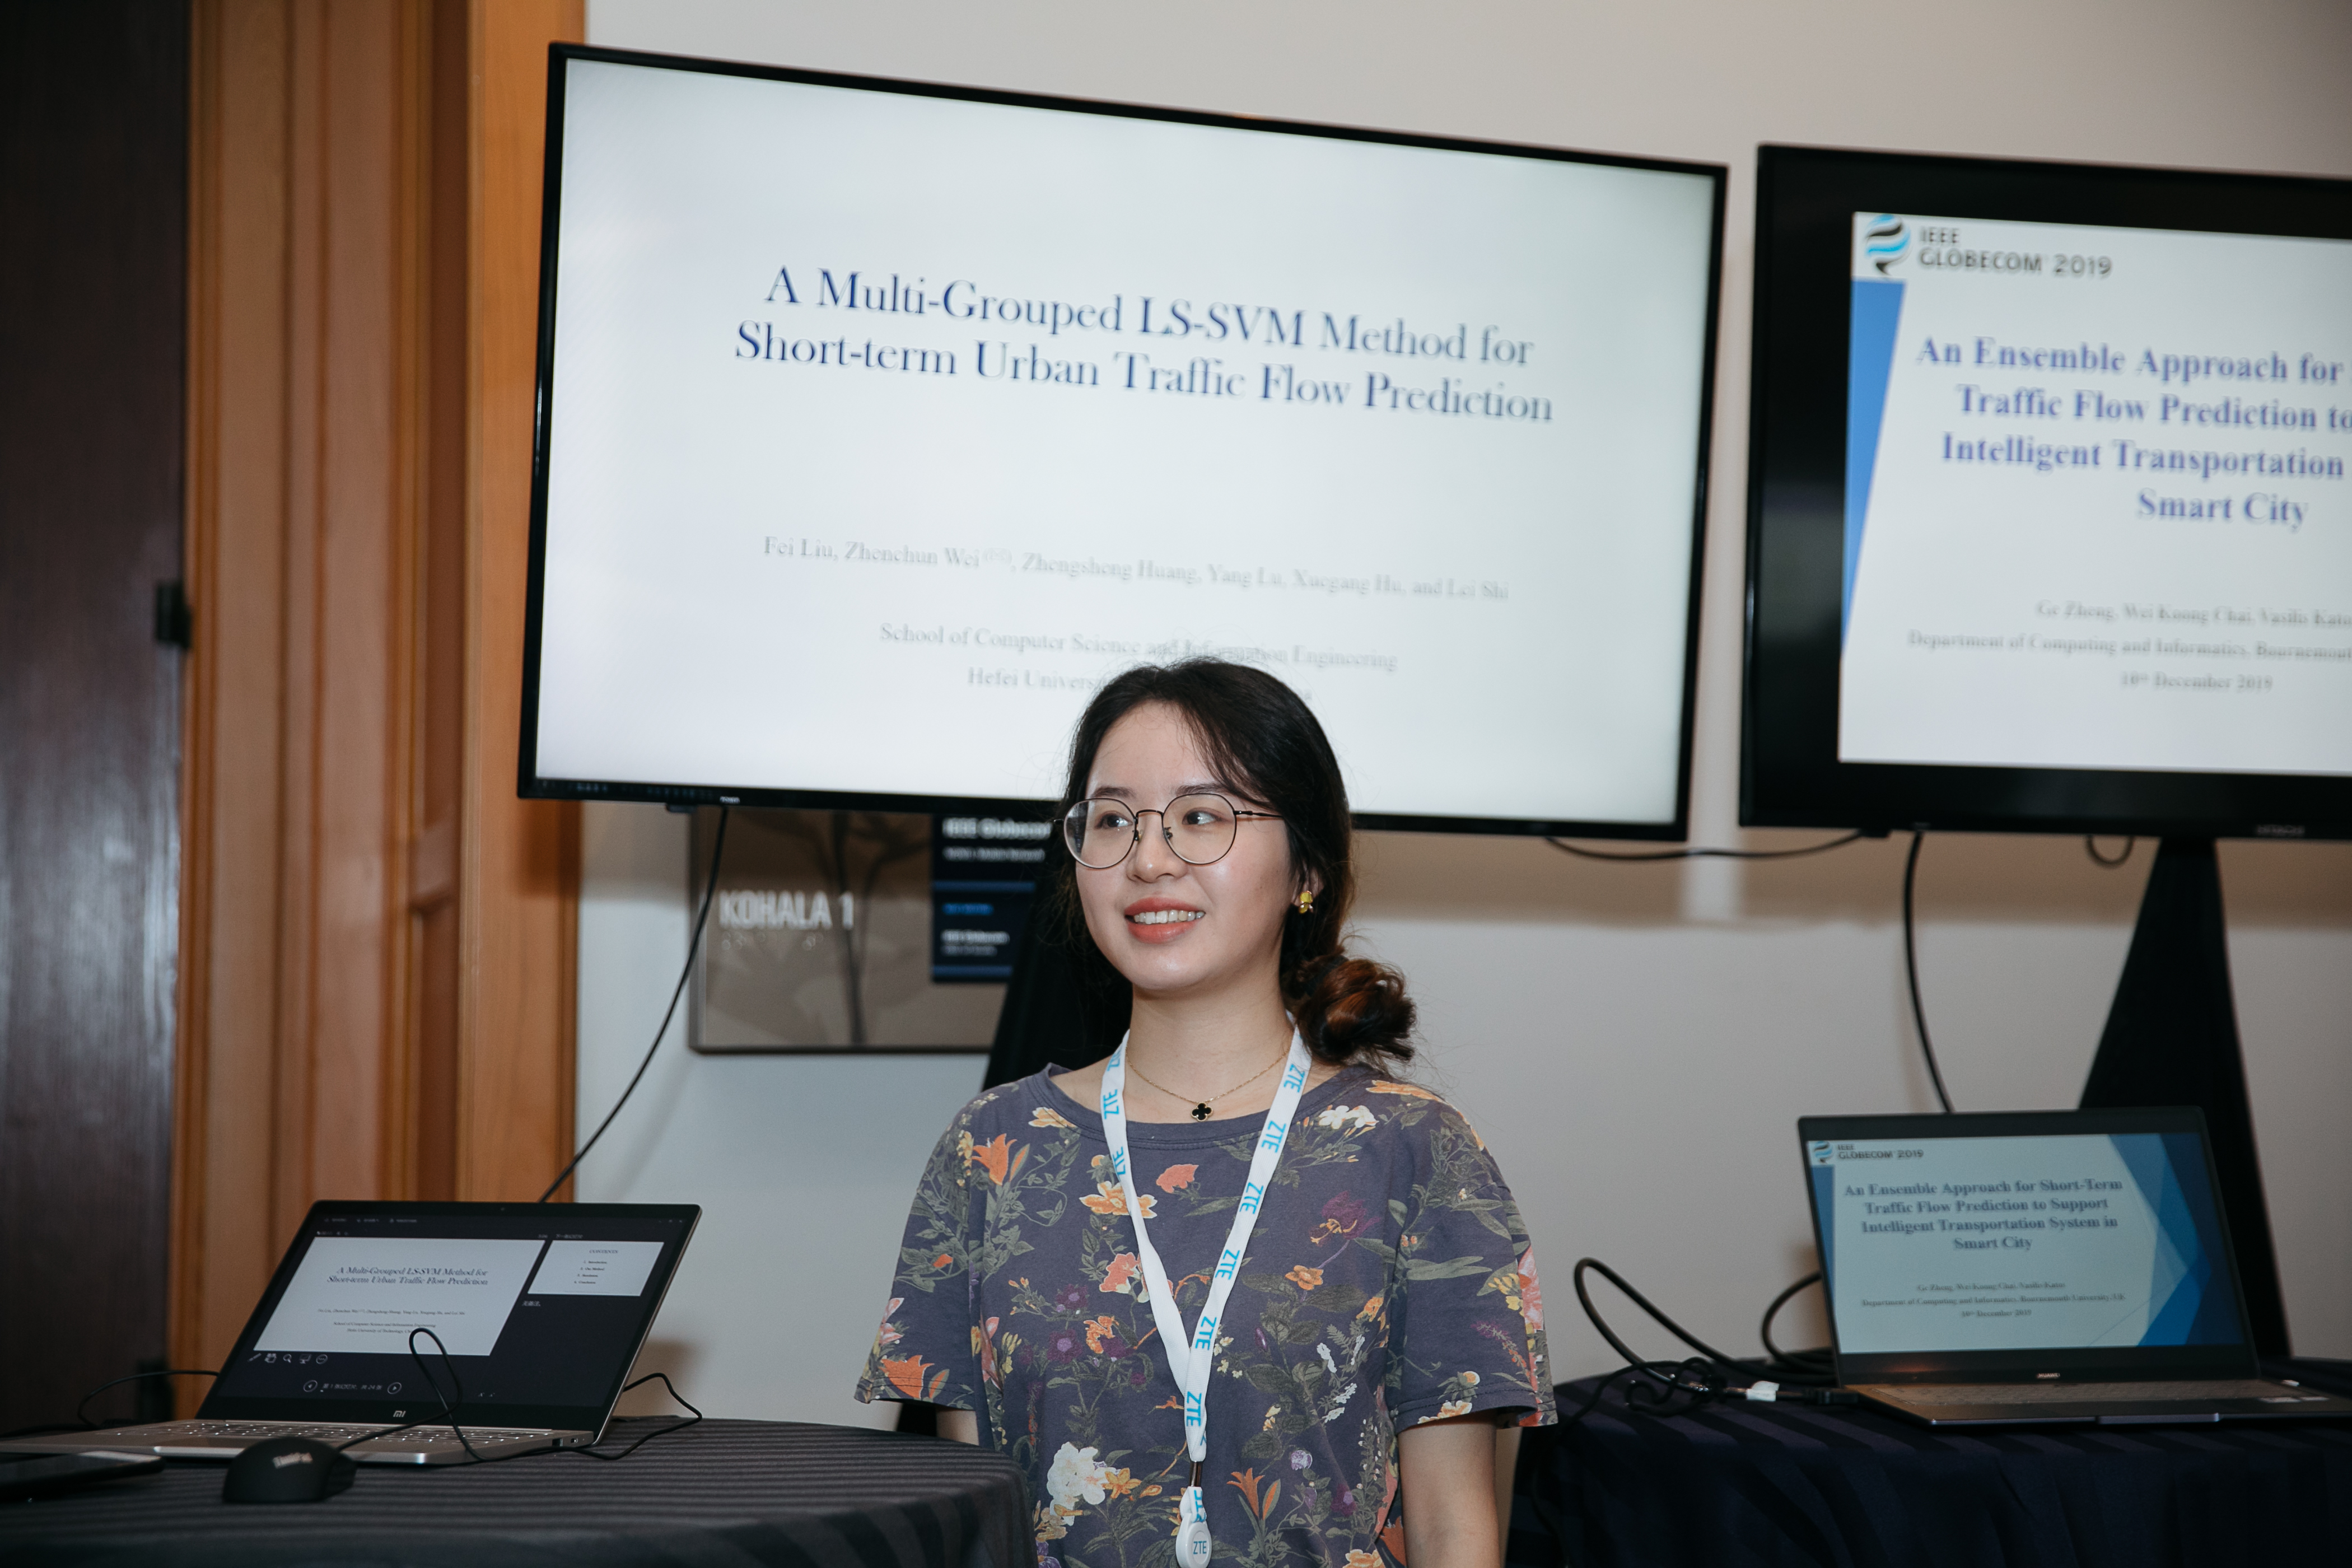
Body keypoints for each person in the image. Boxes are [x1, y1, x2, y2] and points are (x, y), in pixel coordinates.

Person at [857, 660, 1553, 1568]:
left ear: (1307, 867)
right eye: (1114, 820)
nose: (1149, 860)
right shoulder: (992, 1147)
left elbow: (1455, 1532)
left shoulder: (1416, 1152)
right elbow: (975, 1519)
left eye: (1200, 817)